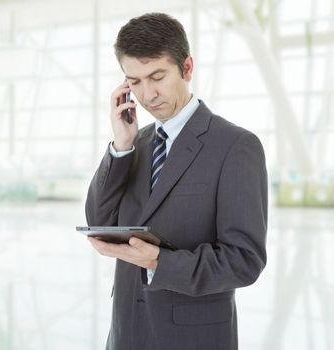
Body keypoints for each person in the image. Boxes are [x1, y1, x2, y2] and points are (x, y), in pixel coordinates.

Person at [85, 12, 267, 350]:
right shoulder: (134, 143)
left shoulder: (235, 146)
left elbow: (245, 261)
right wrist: (120, 146)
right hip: (126, 333)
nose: (148, 94)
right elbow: (99, 222)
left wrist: (159, 262)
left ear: (187, 68)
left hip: (192, 337)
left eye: (157, 76)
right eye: (134, 82)